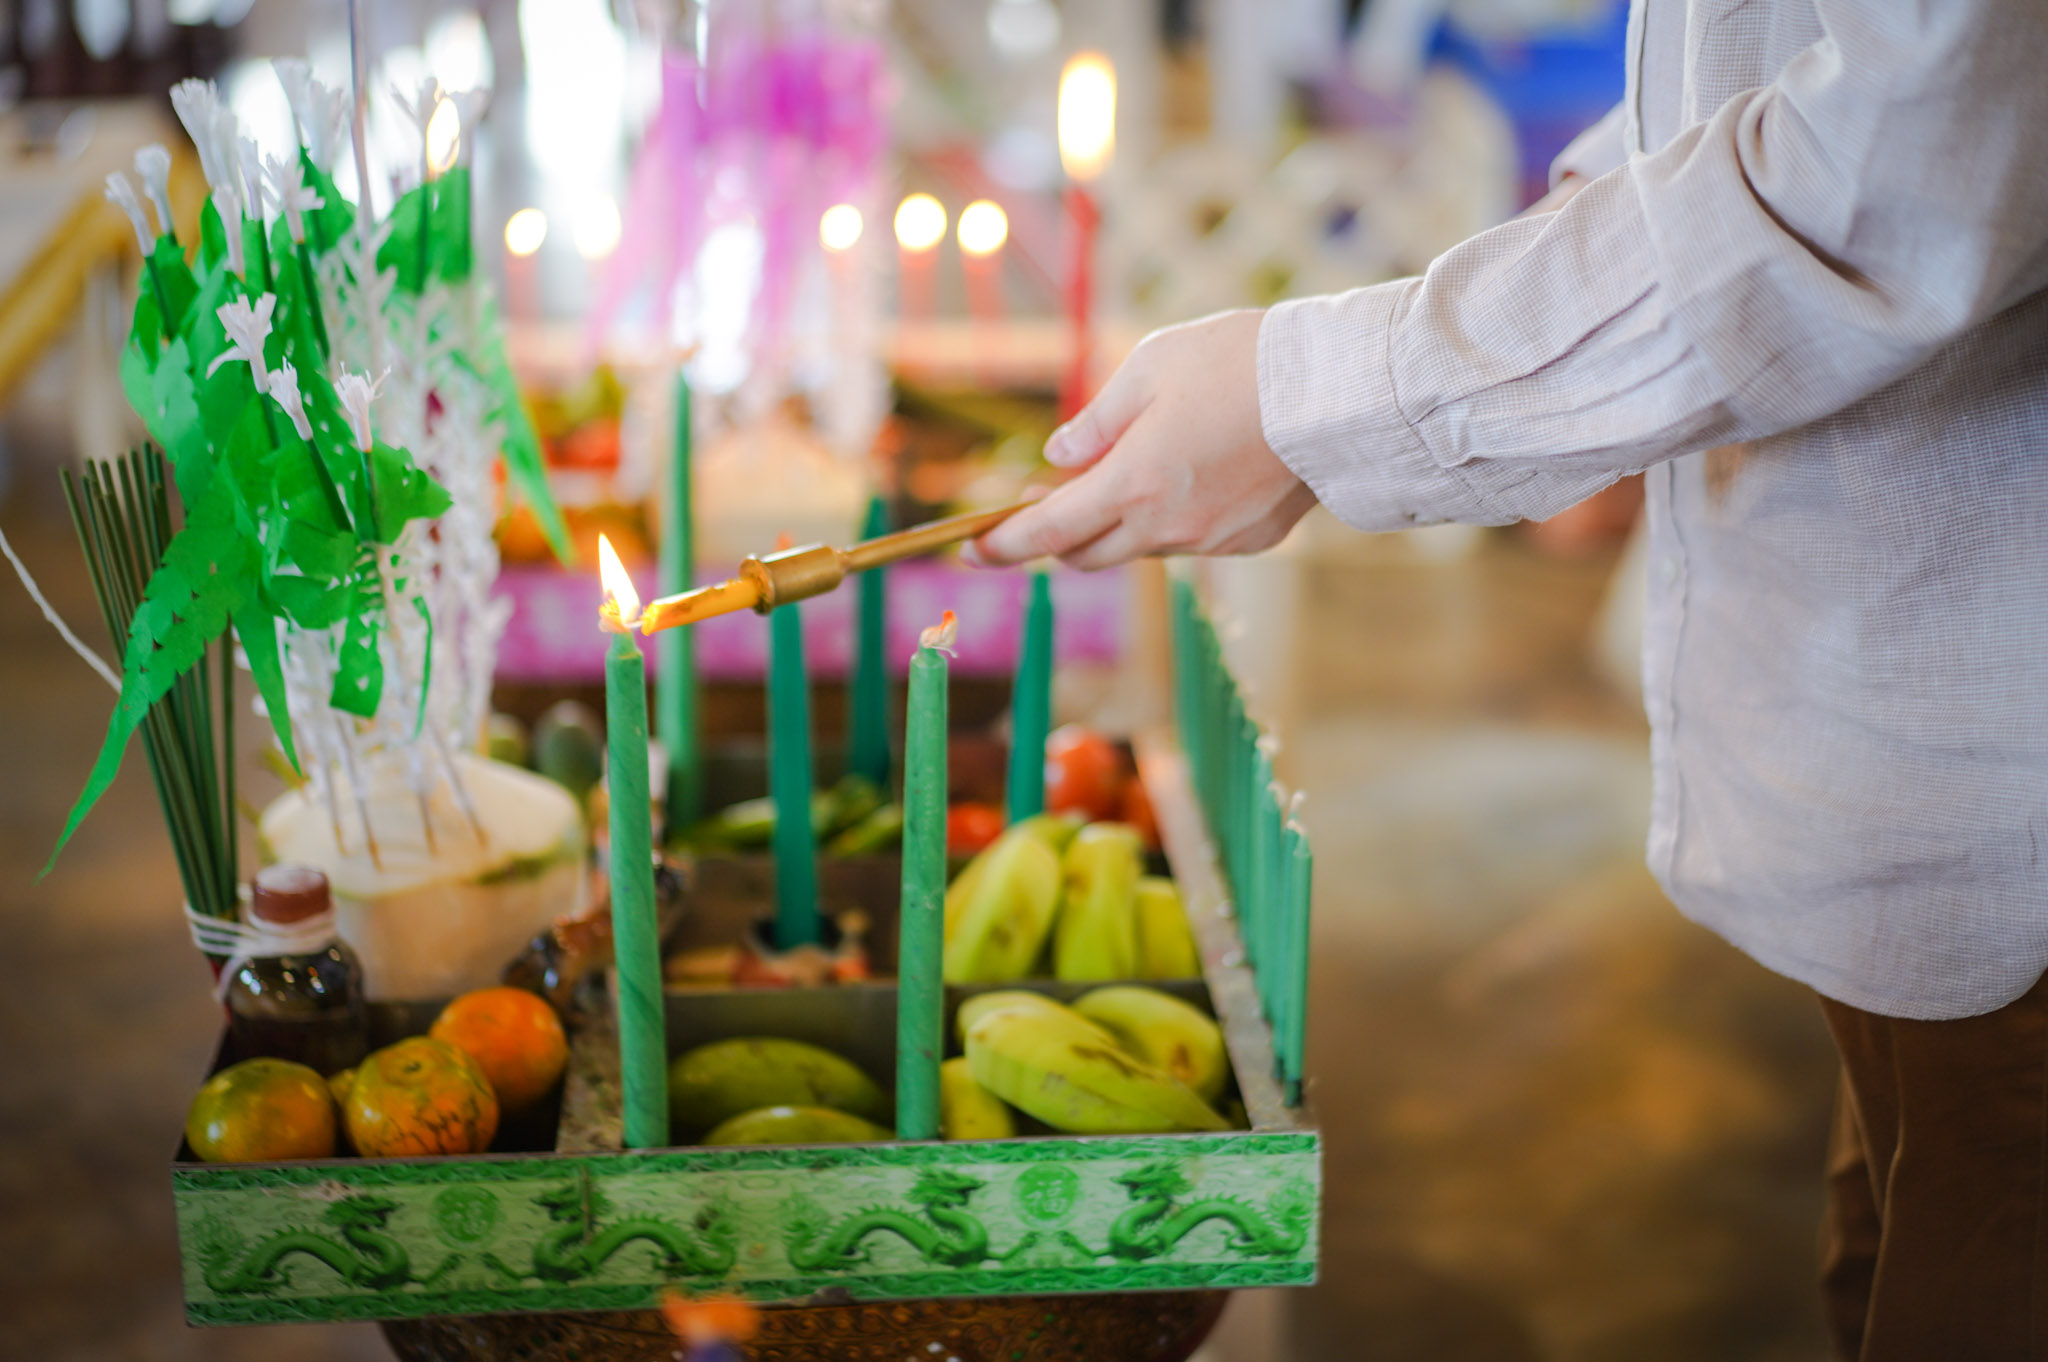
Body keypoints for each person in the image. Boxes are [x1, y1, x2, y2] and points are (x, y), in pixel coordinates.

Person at [969, 4, 2048, 1358]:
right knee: (1886, 1266)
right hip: (1903, 772)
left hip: (2003, 787)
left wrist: (1320, 396)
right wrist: (1534, 305)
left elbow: (1914, 155)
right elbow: (1744, 81)